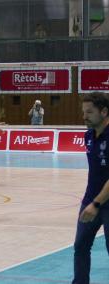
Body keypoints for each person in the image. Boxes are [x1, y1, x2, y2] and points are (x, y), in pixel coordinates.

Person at [72, 92, 109, 284]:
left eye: (89, 112)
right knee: (80, 247)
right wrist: (90, 201)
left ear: (104, 112)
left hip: (101, 203)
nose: (84, 116)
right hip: (90, 200)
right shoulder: (88, 135)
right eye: (83, 111)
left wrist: (96, 203)